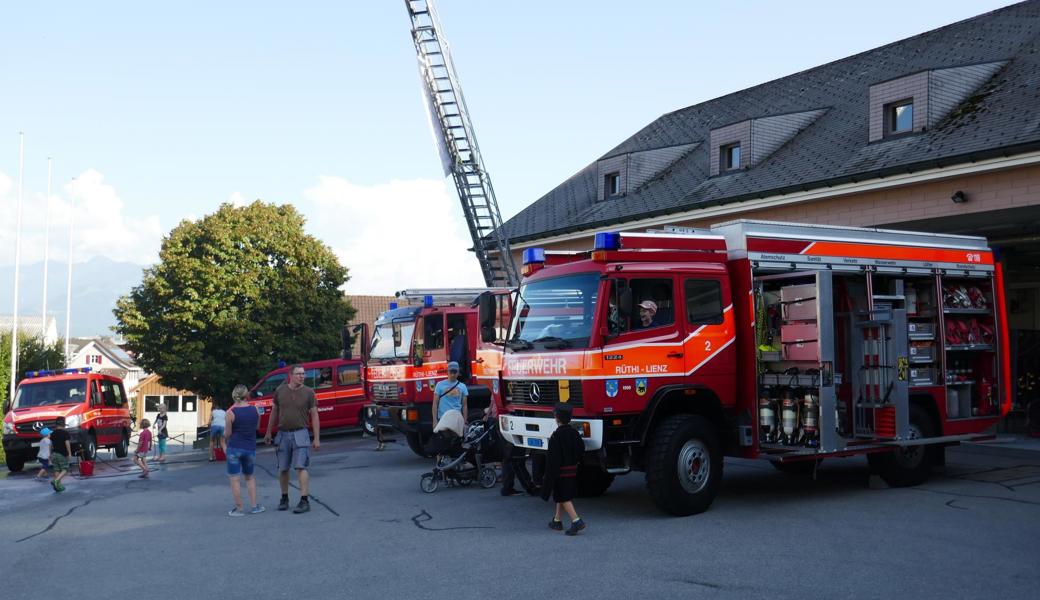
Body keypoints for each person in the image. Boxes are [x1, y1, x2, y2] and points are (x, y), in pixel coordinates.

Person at [264, 364, 320, 514]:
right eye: (299, 374)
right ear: (291, 375)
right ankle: (284, 498)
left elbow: (314, 415)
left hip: (301, 433)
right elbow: (274, 411)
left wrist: (316, 438)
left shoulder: (309, 392)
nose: (302, 376)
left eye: (303, 374)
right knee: (283, 468)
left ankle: (304, 500)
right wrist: (269, 432)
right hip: (282, 434)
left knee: (301, 466)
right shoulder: (280, 391)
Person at [542, 403, 586, 535]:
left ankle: (576, 521)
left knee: (564, 497)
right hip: (572, 470)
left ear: (556, 418)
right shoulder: (574, 433)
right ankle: (557, 520)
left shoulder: (556, 436)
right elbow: (581, 449)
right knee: (560, 496)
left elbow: (553, 460)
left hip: (560, 472)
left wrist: (548, 476)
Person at [225, 384, 264, 517]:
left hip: (234, 448)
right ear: (246, 395)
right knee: (250, 478)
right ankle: (254, 506)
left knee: (235, 479)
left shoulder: (230, 413)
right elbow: (257, 427)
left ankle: (239, 508)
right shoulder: (255, 410)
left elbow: (228, 434)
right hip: (250, 447)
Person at [49, 417, 72, 493]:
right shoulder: (65, 433)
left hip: (54, 454)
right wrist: (69, 453)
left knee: (57, 469)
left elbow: (51, 445)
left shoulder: (53, 433)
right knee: (65, 469)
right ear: (64, 425)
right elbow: (67, 443)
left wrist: (50, 454)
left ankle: (58, 486)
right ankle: (56, 481)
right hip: (61, 454)